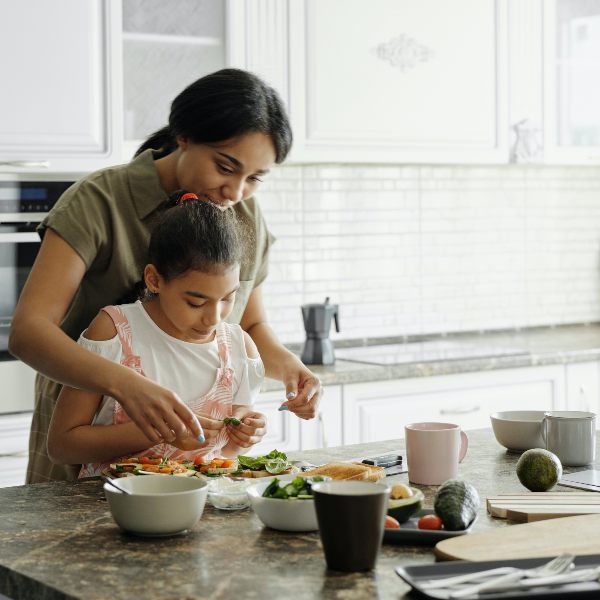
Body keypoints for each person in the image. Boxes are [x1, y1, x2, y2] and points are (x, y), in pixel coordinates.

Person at [9, 68, 322, 483]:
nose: (236, 191)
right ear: (185, 137)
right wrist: (127, 386)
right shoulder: (99, 200)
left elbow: (249, 324)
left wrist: (291, 368)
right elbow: (29, 331)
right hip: (86, 441)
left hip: (190, 469)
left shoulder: (243, 213)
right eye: (225, 167)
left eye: (254, 179)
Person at [47, 192, 266, 475]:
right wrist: (160, 432)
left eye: (228, 298)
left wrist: (245, 436)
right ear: (154, 279)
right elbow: (62, 446)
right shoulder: (114, 332)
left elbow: (227, 454)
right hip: (112, 509)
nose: (214, 317)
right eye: (196, 302)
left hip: (202, 511)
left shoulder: (239, 348)